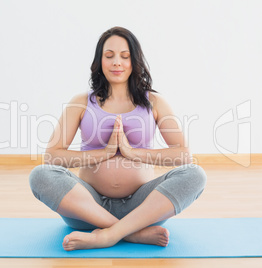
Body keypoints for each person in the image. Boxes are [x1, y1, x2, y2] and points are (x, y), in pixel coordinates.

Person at [29, 26, 207, 251]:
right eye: (109, 56)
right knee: (40, 175)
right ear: (99, 62)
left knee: (195, 174)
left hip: (141, 207)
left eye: (125, 56)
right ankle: (132, 233)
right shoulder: (81, 102)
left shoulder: (154, 103)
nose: (116, 63)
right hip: (87, 208)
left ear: (135, 61)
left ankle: (109, 234)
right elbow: (52, 157)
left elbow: (183, 155)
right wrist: (104, 153)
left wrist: (132, 153)